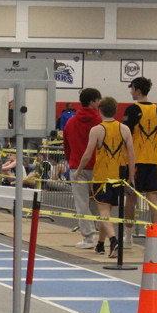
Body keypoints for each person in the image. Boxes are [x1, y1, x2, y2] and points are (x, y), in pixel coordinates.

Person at [76, 96, 136, 258]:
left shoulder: (97, 130)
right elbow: (131, 155)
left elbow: (88, 154)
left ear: (100, 110)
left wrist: (78, 170)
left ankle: (113, 240)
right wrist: (131, 176)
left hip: (102, 176)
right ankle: (101, 245)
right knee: (107, 211)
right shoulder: (124, 129)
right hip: (118, 175)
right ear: (116, 110)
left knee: (103, 210)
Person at [122, 76, 157, 246]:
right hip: (154, 162)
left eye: (132, 89)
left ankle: (128, 237)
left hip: (135, 163)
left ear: (137, 90)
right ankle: (154, 239)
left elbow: (125, 136)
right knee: (154, 200)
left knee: (131, 199)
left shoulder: (132, 110)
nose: (130, 92)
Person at [63, 88, 103, 249]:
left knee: (82, 204)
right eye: (98, 100)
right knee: (98, 202)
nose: (99, 103)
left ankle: (88, 238)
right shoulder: (100, 122)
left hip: (77, 167)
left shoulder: (71, 122)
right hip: (98, 167)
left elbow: (66, 146)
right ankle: (101, 233)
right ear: (93, 102)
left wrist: (72, 162)